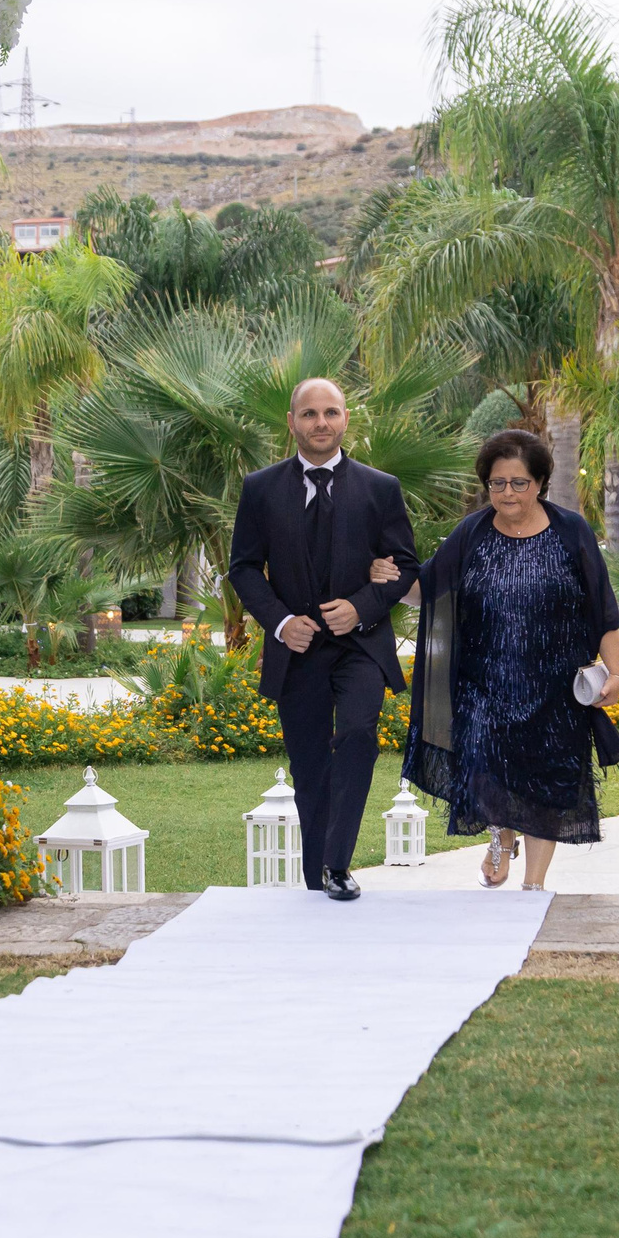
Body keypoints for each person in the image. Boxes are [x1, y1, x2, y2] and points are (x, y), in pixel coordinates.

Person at [388, 429, 619, 892]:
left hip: (555, 686)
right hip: (483, 682)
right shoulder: (471, 533)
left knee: (546, 783)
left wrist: (617, 673)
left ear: (539, 483)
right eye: (497, 483)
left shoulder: (570, 531)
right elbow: (428, 590)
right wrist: (392, 577)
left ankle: (533, 885)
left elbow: (603, 609)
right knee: (483, 762)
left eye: (518, 483)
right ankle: (501, 838)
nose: (507, 493)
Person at [228, 377, 420, 901]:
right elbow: (243, 569)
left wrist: (361, 606)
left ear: (345, 420)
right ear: (291, 422)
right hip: (297, 651)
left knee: (358, 734)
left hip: (361, 646)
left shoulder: (380, 488)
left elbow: (405, 564)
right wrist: (282, 622)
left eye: (330, 413)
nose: (321, 423)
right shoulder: (260, 489)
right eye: (309, 414)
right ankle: (318, 879)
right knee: (309, 762)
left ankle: (337, 865)